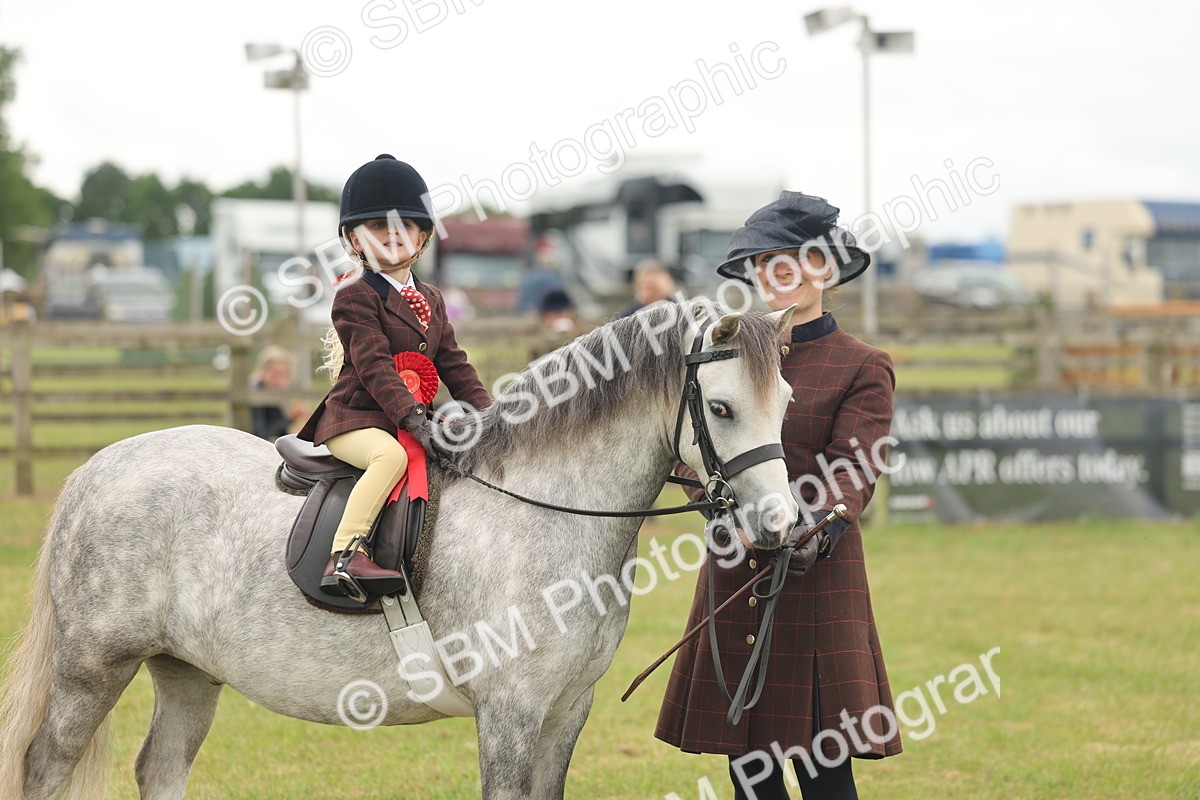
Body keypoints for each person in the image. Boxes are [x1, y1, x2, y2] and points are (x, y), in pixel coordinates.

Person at [655, 192, 902, 799]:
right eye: (764, 263)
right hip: (736, 572)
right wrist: (725, 517)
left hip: (816, 578)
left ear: (825, 269)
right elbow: (698, 446)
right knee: (750, 775)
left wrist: (804, 528)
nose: (775, 275)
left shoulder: (861, 365)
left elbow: (855, 470)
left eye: (790, 262)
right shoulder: (731, 354)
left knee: (824, 779)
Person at [297, 154, 492, 598]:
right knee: (391, 458)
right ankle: (345, 554)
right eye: (379, 228)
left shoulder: (432, 298)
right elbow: (374, 365)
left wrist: (490, 417)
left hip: (407, 419)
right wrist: (413, 419)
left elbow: (454, 363)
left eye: (404, 226)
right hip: (356, 419)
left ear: (422, 237)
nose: (393, 236)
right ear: (354, 240)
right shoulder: (354, 295)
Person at [249, 345, 308, 441]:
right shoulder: (256, 393)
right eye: (274, 373)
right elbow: (261, 435)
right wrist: (290, 418)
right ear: (263, 371)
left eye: (284, 374)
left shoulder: (278, 394)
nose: (279, 380)